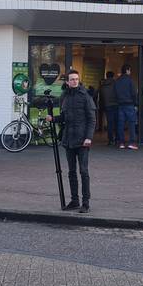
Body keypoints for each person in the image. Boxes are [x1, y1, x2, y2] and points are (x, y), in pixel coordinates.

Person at [50, 69, 95, 213]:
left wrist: (89, 137)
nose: (75, 81)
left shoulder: (85, 96)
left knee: (83, 171)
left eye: (77, 79)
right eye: (72, 79)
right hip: (69, 139)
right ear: (67, 82)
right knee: (71, 172)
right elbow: (63, 118)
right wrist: (53, 119)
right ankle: (74, 200)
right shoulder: (64, 97)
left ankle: (86, 203)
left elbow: (91, 119)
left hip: (82, 140)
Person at [114, 64, 139, 150]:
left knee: (121, 124)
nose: (130, 72)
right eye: (130, 70)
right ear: (128, 70)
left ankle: (121, 143)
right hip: (129, 104)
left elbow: (115, 93)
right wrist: (135, 104)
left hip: (120, 105)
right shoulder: (130, 81)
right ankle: (131, 142)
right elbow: (134, 93)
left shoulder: (117, 81)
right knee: (131, 123)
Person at [100, 70, 118, 145]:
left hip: (107, 105)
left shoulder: (103, 85)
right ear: (113, 76)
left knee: (110, 123)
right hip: (116, 105)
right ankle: (117, 138)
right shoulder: (116, 84)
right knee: (117, 123)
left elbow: (101, 97)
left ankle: (110, 139)